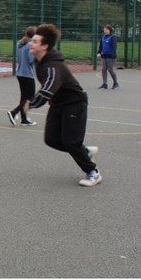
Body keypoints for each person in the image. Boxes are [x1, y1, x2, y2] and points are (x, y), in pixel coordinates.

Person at [23, 23, 102, 187]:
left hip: (74, 104)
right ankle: (86, 152)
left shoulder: (53, 65)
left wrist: (32, 103)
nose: (31, 43)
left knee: (71, 142)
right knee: (51, 139)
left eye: (35, 41)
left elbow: (48, 88)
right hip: (58, 104)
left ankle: (93, 172)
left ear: (44, 46)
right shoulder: (42, 62)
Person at [7, 26, 37, 126]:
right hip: (27, 74)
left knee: (24, 97)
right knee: (31, 98)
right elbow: (31, 60)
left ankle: (24, 119)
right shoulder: (30, 45)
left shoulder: (20, 43)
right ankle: (14, 112)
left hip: (20, 73)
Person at [97, 24, 119, 90]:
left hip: (111, 57)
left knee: (110, 70)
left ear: (110, 30)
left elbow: (114, 47)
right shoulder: (103, 36)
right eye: (104, 30)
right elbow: (101, 46)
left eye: (106, 30)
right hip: (104, 56)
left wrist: (110, 54)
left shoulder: (113, 37)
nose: (105, 31)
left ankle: (115, 83)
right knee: (104, 69)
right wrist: (99, 52)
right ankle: (104, 84)